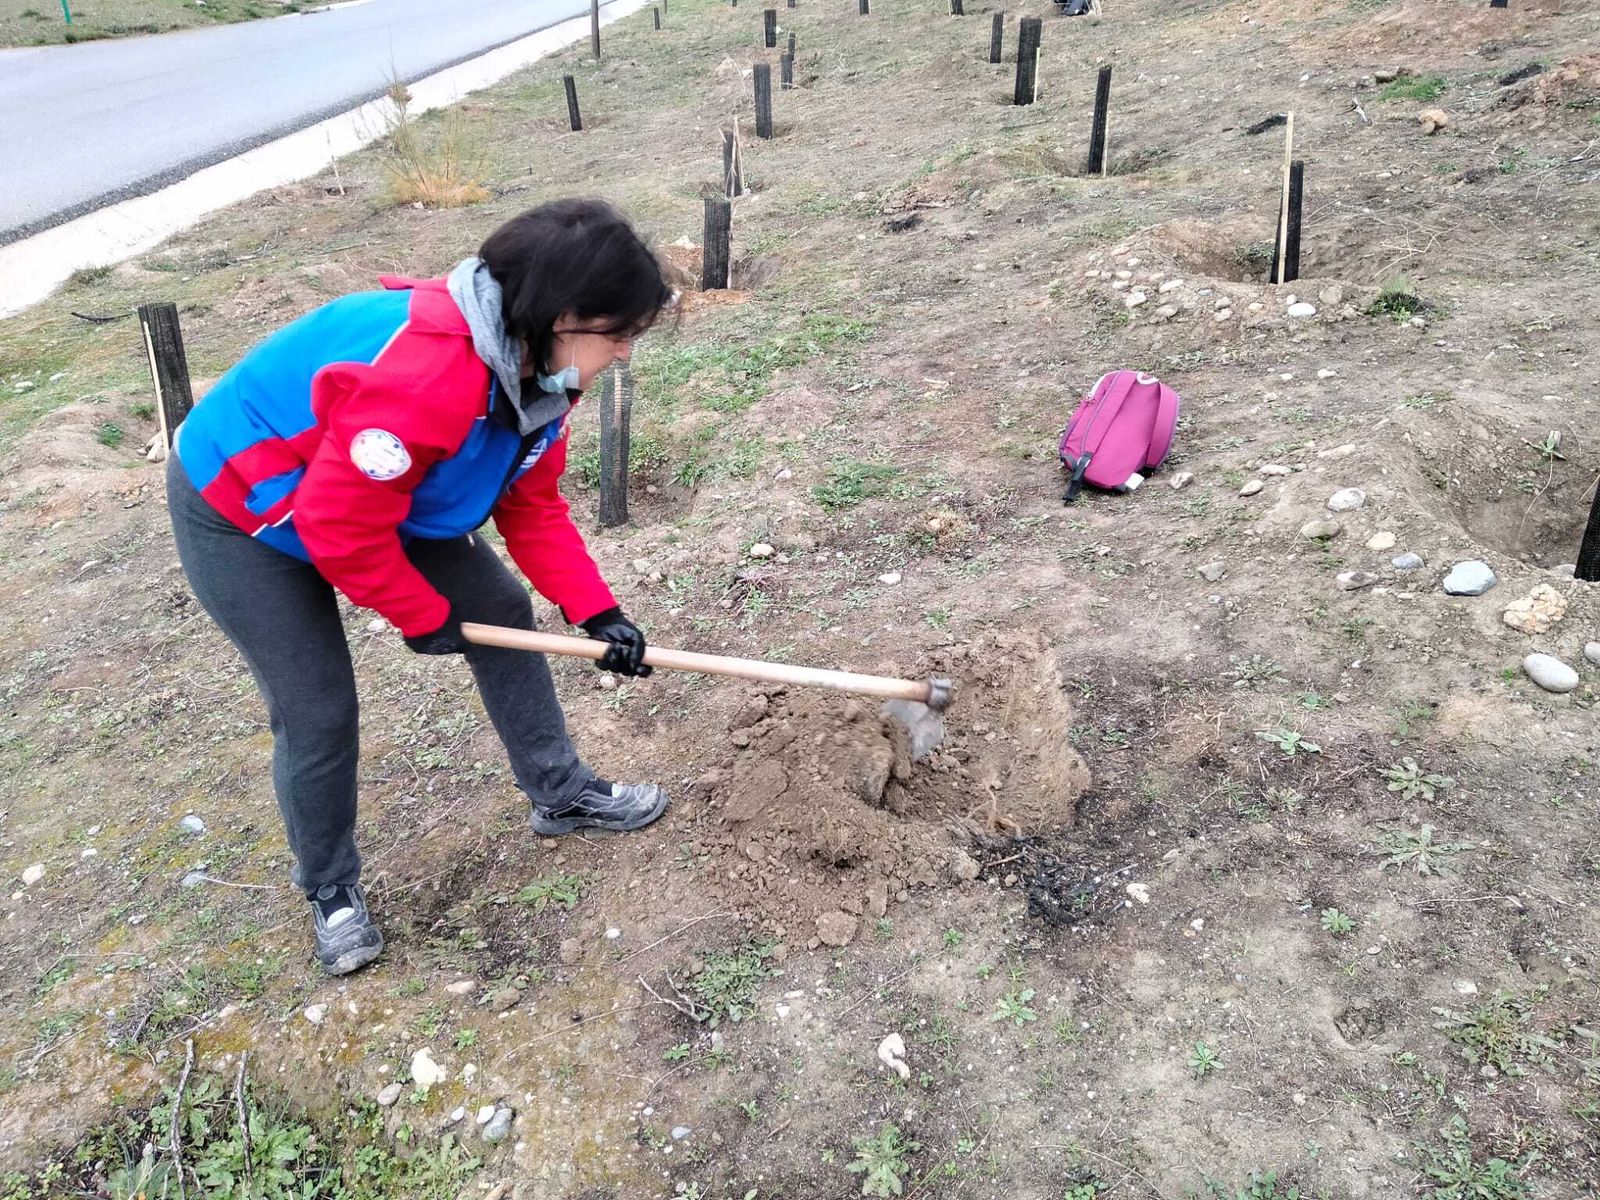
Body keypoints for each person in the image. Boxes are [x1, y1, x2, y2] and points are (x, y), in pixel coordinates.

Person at [166, 198, 674, 975]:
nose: (626, 355)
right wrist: (420, 613)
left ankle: (560, 792)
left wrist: (597, 611)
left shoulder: (537, 377)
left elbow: (530, 505)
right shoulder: (424, 376)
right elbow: (339, 528)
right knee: (317, 708)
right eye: (620, 335)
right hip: (244, 503)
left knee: (499, 607)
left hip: (363, 490)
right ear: (563, 316)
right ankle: (331, 888)